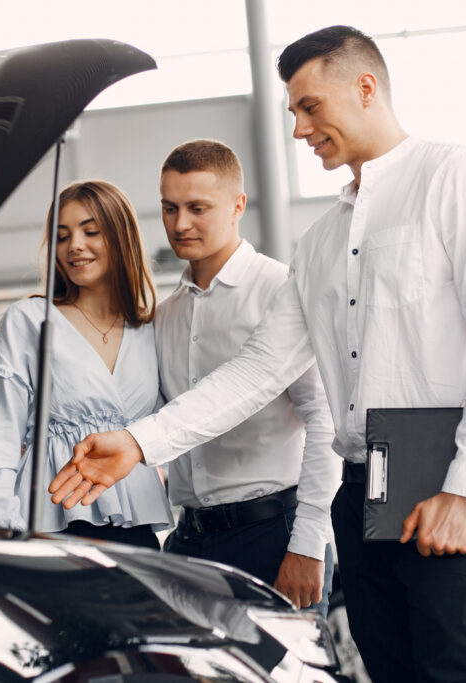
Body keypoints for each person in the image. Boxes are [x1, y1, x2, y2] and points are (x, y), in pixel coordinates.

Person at [49, 26, 466, 683]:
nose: (298, 129)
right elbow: (256, 371)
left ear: (366, 88)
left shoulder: (459, 177)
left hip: (447, 477)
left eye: (310, 106)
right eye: (293, 110)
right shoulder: (319, 244)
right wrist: (140, 442)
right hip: (365, 488)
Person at [154, 139, 340, 611]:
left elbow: (325, 420)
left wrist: (307, 545)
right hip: (189, 542)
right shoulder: (166, 314)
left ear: (238, 206)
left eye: (198, 208)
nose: (180, 224)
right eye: (169, 208)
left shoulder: (282, 291)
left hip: (272, 536)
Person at [0, 179, 172, 549]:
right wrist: (3, 533)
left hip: (136, 533)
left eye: (91, 231)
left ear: (122, 239)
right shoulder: (30, 321)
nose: (74, 245)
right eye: (61, 236)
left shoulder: (151, 327)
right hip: (50, 525)